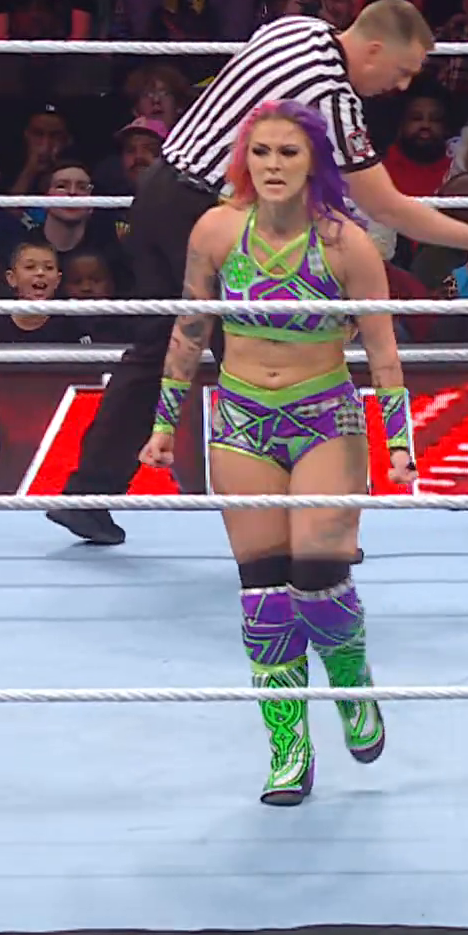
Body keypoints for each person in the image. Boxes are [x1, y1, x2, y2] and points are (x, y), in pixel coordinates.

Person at [51, 0, 468, 547]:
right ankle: (310, 526)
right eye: (402, 70)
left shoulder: (297, 29)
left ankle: (88, 494)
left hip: (160, 192)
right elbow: (386, 206)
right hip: (208, 215)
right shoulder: (332, 97)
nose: (402, 86)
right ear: (374, 49)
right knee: (272, 357)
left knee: (160, 348)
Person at [138, 100, 415, 807]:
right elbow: (189, 329)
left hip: (326, 417)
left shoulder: (348, 245)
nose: (272, 165)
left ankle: (350, 680)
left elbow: (383, 351)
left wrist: (399, 444)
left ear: (314, 161)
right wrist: (165, 423)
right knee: (263, 598)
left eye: (287, 152)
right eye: (260, 151)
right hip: (239, 419)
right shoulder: (217, 230)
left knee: (319, 584)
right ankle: (288, 751)